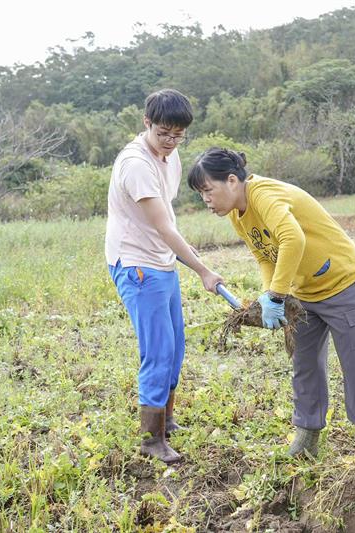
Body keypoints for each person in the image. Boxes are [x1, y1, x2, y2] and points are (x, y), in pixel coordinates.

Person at [187, 148, 355, 465]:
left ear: (232, 181)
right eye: (201, 195)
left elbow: (293, 238)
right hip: (302, 292)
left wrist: (277, 295)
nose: (206, 201)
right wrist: (270, 295)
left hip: (340, 282)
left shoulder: (263, 195)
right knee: (304, 365)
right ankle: (307, 438)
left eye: (208, 191)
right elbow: (265, 256)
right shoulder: (238, 215)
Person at [105, 89, 224, 464]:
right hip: (138, 264)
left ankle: (166, 420)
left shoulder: (169, 157)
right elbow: (163, 227)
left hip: (163, 261)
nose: (171, 142)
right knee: (157, 351)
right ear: (146, 123)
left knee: (175, 348)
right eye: (163, 134)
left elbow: (168, 221)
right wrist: (203, 269)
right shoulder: (136, 164)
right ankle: (150, 439)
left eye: (178, 135)